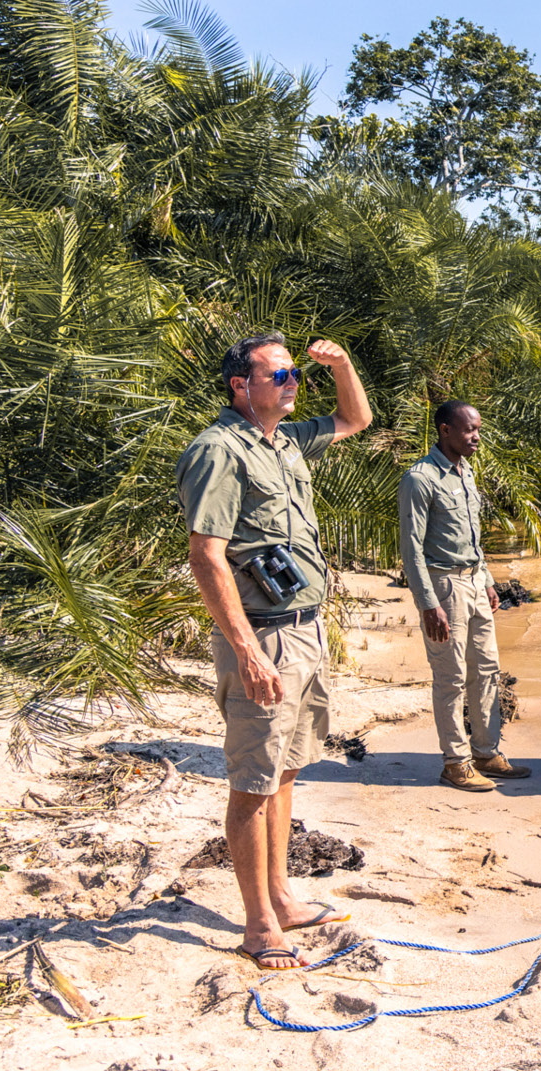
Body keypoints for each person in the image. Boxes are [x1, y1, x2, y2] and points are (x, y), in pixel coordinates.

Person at [176, 331, 372, 970]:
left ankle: (282, 897)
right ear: (241, 385)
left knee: (286, 769)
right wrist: (246, 651)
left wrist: (340, 362)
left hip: (305, 628)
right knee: (253, 782)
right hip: (262, 637)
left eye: (293, 373)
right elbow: (207, 556)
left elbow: (355, 418)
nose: (291, 383)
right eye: (278, 374)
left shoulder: (283, 440)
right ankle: (259, 925)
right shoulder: (217, 450)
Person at [398, 400, 531, 793]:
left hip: (474, 583)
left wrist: (487, 580)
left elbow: (473, 537)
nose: (476, 436)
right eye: (469, 429)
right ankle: (455, 762)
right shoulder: (419, 479)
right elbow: (411, 550)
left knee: (487, 670)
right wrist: (428, 604)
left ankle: (486, 753)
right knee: (451, 677)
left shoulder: (466, 471)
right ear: (445, 430)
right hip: (444, 588)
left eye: (478, 429)